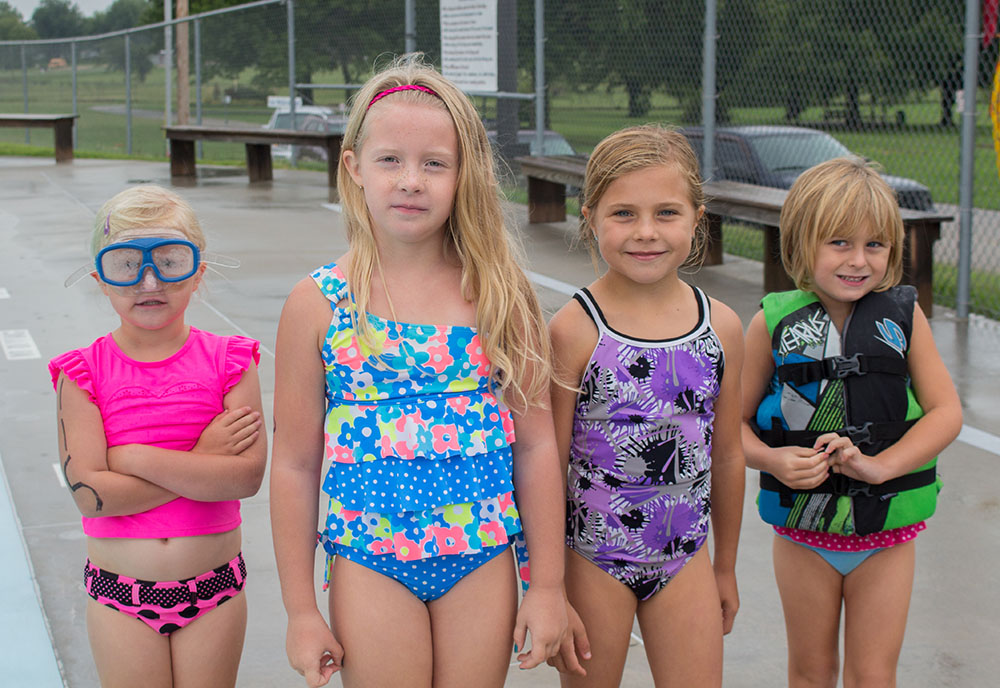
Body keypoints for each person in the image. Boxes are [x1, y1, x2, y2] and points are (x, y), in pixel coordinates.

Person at [269, 55, 569, 688]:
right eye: (390, 160)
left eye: (434, 164)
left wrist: (547, 586)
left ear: (464, 175)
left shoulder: (498, 294)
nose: (411, 181)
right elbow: (294, 464)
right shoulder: (319, 304)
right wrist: (300, 611)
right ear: (353, 167)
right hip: (370, 559)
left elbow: (537, 446)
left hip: (480, 556)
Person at [741, 157, 962, 687]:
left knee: (873, 675)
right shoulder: (770, 322)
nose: (859, 260)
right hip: (803, 534)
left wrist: (883, 467)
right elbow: (731, 426)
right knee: (811, 672)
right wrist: (772, 459)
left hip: (887, 537)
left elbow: (946, 413)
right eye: (839, 243)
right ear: (802, 242)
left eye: (875, 245)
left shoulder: (905, 317)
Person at [547, 124, 746, 687]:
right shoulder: (575, 330)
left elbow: (728, 456)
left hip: (686, 558)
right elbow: (547, 464)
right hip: (593, 558)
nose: (646, 232)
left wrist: (725, 567)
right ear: (590, 217)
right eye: (623, 214)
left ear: (696, 219)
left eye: (666, 213)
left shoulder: (722, 327)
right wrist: (548, 585)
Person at [49, 184, 267, 687]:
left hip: (214, 591)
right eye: (126, 264)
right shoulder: (81, 374)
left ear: (198, 272)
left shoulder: (232, 361)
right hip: (119, 596)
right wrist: (202, 458)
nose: (149, 280)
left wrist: (132, 458)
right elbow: (93, 496)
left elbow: (244, 478)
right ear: (102, 279)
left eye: (169, 261)